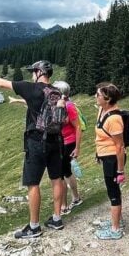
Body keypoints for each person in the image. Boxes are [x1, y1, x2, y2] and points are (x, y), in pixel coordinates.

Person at [0, 61, 66, 239]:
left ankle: (34, 226)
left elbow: (2, 83)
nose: (32, 74)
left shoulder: (30, 88)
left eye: (33, 71)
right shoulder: (56, 91)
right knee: (56, 179)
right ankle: (56, 219)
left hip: (37, 141)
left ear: (39, 72)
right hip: (56, 141)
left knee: (33, 183)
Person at [94, 82, 126, 240]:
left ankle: (115, 230)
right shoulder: (102, 110)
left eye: (98, 94)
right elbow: (101, 135)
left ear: (107, 99)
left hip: (113, 159)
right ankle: (116, 220)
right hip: (106, 157)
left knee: (113, 192)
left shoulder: (114, 119)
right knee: (111, 190)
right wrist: (98, 153)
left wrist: (120, 170)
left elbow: (119, 146)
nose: (96, 96)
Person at [52, 80, 84, 214]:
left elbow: (78, 127)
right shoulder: (57, 105)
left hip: (68, 142)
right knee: (66, 172)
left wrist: (77, 148)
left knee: (61, 173)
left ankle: (64, 206)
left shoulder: (69, 106)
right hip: (60, 142)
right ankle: (76, 198)